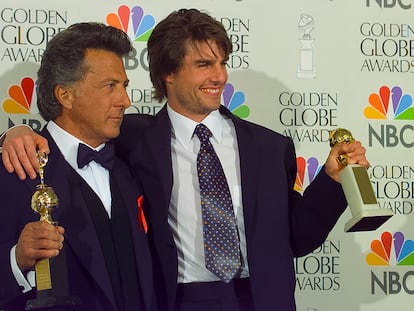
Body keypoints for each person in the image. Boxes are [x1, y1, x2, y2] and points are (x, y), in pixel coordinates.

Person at [1, 9, 370, 311]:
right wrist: (13, 134)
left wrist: (331, 182)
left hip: (260, 300)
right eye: (204, 64)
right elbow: (72, 133)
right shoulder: (133, 138)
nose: (219, 75)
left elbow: (297, 237)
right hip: (175, 301)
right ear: (168, 73)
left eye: (222, 62)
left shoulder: (269, 146)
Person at [0, 23, 155, 311]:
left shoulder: (132, 159)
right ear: (65, 95)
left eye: (124, 86)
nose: (125, 101)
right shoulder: (13, 170)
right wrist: (17, 259)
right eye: (110, 86)